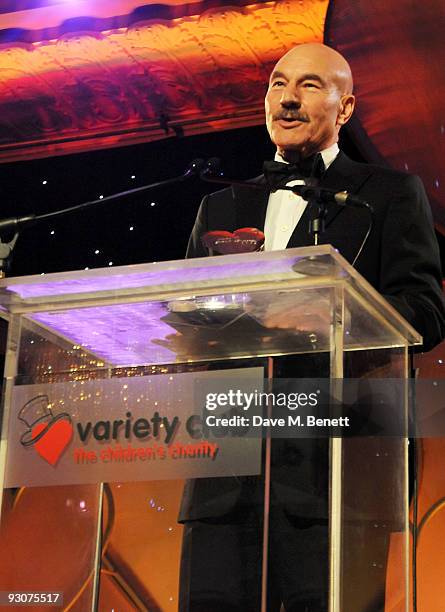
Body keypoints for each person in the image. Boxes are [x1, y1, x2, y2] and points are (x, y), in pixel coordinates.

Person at [180, 43, 445, 611]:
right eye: (278, 84)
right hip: (226, 472)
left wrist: (331, 317)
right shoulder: (222, 206)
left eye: (308, 85)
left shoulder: (389, 195)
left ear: (345, 109)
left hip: (338, 471)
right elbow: (189, 317)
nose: (288, 99)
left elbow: (425, 311)